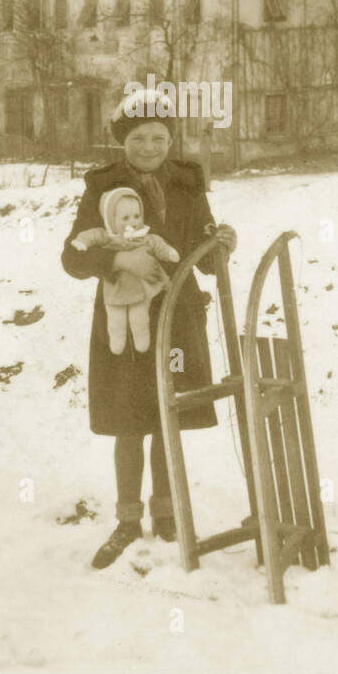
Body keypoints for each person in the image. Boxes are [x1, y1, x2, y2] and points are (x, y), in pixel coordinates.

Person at [61, 87, 237, 569]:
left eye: (159, 138)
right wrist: (119, 257)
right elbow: (72, 257)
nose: (150, 147)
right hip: (125, 316)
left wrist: (222, 244)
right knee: (128, 419)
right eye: (140, 138)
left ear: (170, 139)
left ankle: (165, 515)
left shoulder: (187, 183)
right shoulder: (102, 187)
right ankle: (126, 519)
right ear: (124, 141)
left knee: (168, 416)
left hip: (178, 319)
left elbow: (205, 256)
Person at [71, 186, 180, 353]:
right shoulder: (108, 236)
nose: (133, 222)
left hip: (139, 290)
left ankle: (141, 342)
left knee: (140, 318)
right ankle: (117, 341)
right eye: (125, 218)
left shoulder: (143, 235)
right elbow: (91, 236)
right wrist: (81, 242)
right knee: (115, 319)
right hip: (115, 288)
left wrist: (170, 253)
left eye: (137, 216)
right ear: (111, 219)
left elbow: (158, 244)